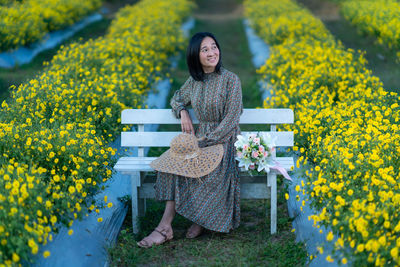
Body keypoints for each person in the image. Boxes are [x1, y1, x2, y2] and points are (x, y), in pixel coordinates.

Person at [137, 32, 243, 248]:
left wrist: (206, 141)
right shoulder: (195, 81)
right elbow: (176, 99)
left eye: (214, 47)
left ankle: (193, 220)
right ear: (196, 55)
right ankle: (166, 227)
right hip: (200, 141)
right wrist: (183, 112)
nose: (212, 52)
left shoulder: (231, 80)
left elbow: (232, 119)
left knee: (193, 165)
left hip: (223, 142)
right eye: (205, 50)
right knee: (172, 165)